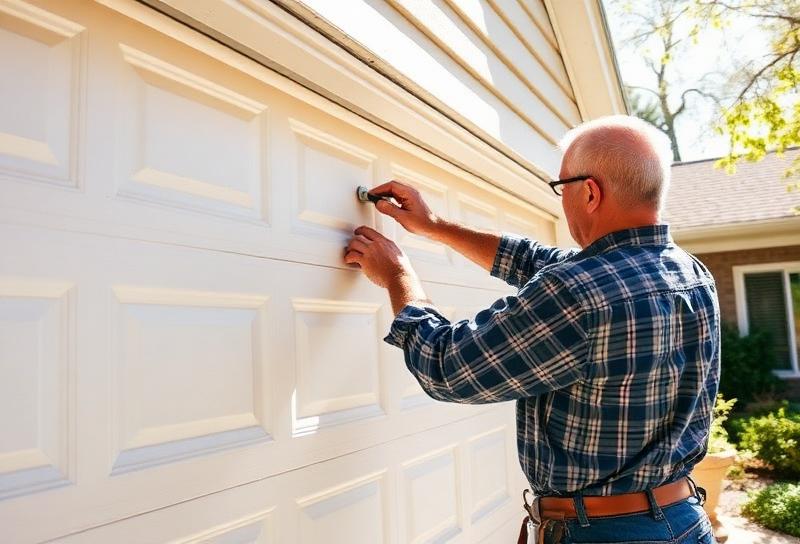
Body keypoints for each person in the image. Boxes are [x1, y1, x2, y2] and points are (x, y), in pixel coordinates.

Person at [344, 115, 720, 544]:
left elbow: (448, 368)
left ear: (590, 192)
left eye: (562, 188)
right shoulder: (690, 273)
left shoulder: (580, 291)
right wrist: (436, 227)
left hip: (602, 534)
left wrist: (397, 275)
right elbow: (538, 261)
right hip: (683, 521)